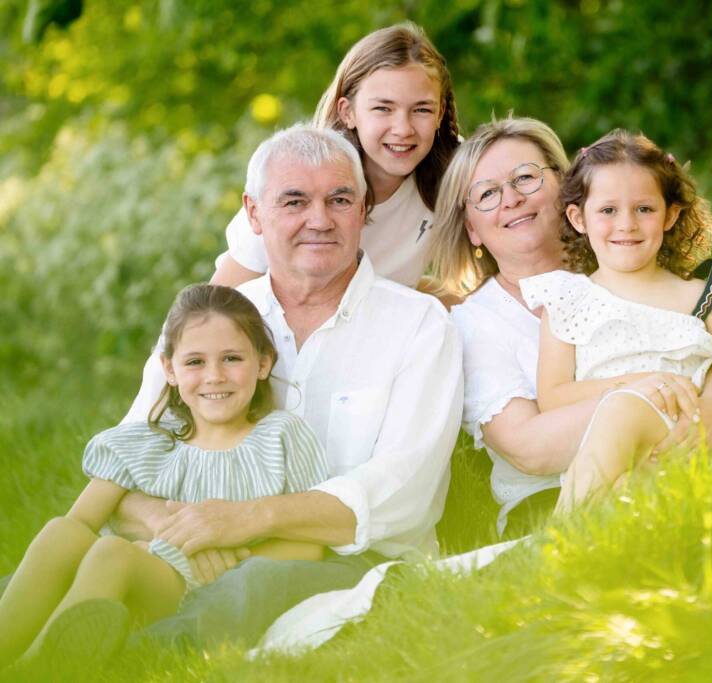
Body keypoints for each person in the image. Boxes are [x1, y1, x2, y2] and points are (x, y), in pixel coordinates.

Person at [112, 123, 463, 648]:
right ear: (254, 214)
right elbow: (125, 462)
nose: (319, 220)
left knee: (253, 586)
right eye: (294, 201)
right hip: (194, 550)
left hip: (356, 563)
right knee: (68, 572)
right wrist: (187, 531)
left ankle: (115, 661)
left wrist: (245, 522)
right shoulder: (206, 322)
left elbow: (402, 492)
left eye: (339, 199)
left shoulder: (419, 324)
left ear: (364, 210)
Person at [430, 118, 712, 535]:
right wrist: (649, 391)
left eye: (524, 178)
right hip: (550, 502)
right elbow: (531, 449)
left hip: (674, 463)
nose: (510, 199)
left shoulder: (628, 253)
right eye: (487, 194)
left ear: (566, 190)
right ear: (472, 227)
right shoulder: (475, 322)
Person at [0, 284, 329, 666]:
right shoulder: (150, 441)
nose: (214, 376)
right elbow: (79, 523)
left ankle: (39, 666)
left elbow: (309, 543)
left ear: (263, 364)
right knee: (63, 531)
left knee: (114, 553)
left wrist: (230, 553)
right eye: (195, 363)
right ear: (170, 370)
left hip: (196, 588)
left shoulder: (281, 437)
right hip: (129, 576)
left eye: (231, 359)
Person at [520, 130, 712, 511]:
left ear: (670, 215)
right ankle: (561, 546)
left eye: (644, 209)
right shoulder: (566, 299)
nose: (626, 224)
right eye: (608, 211)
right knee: (622, 472)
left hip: (697, 443)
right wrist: (638, 385)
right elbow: (553, 396)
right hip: (612, 456)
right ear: (578, 218)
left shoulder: (697, 296)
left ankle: (556, 542)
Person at [212, 22, 460, 289]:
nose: (403, 129)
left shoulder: (455, 173)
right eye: (383, 109)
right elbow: (219, 301)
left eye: (421, 110)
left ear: (440, 113)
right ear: (347, 112)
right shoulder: (294, 178)